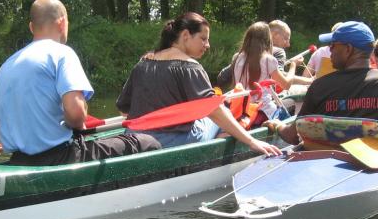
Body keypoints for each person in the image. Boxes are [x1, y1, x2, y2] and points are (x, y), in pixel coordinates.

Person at [0, 0, 160, 166]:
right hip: (61, 157)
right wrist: (75, 121)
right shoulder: (62, 53)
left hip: (20, 160)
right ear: (62, 23)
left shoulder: (7, 66)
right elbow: (75, 114)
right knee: (148, 142)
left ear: (31, 27)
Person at [116, 12, 281, 156]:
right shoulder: (189, 67)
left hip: (133, 136)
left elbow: (124, 109)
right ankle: (221, 144)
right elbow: (215, 110)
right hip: (170, 142)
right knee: (226, 110)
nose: (207, 45)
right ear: (185, 35)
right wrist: (252, 141)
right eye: (203, 39)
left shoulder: (143, 62)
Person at [268, 21, 378, 160]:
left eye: (333, 45)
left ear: (348, 49)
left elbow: (292, 136)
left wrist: (277, 126)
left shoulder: (319, 86)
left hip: (322, 165)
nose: (330, 49)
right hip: (369, 168)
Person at [228, 22, 312, 125]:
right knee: (295, 103)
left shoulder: (237, 57)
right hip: (264, 111)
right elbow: (286, 85)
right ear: (267, 39)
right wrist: (293, 65)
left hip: (240, 109)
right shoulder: (269, 60)